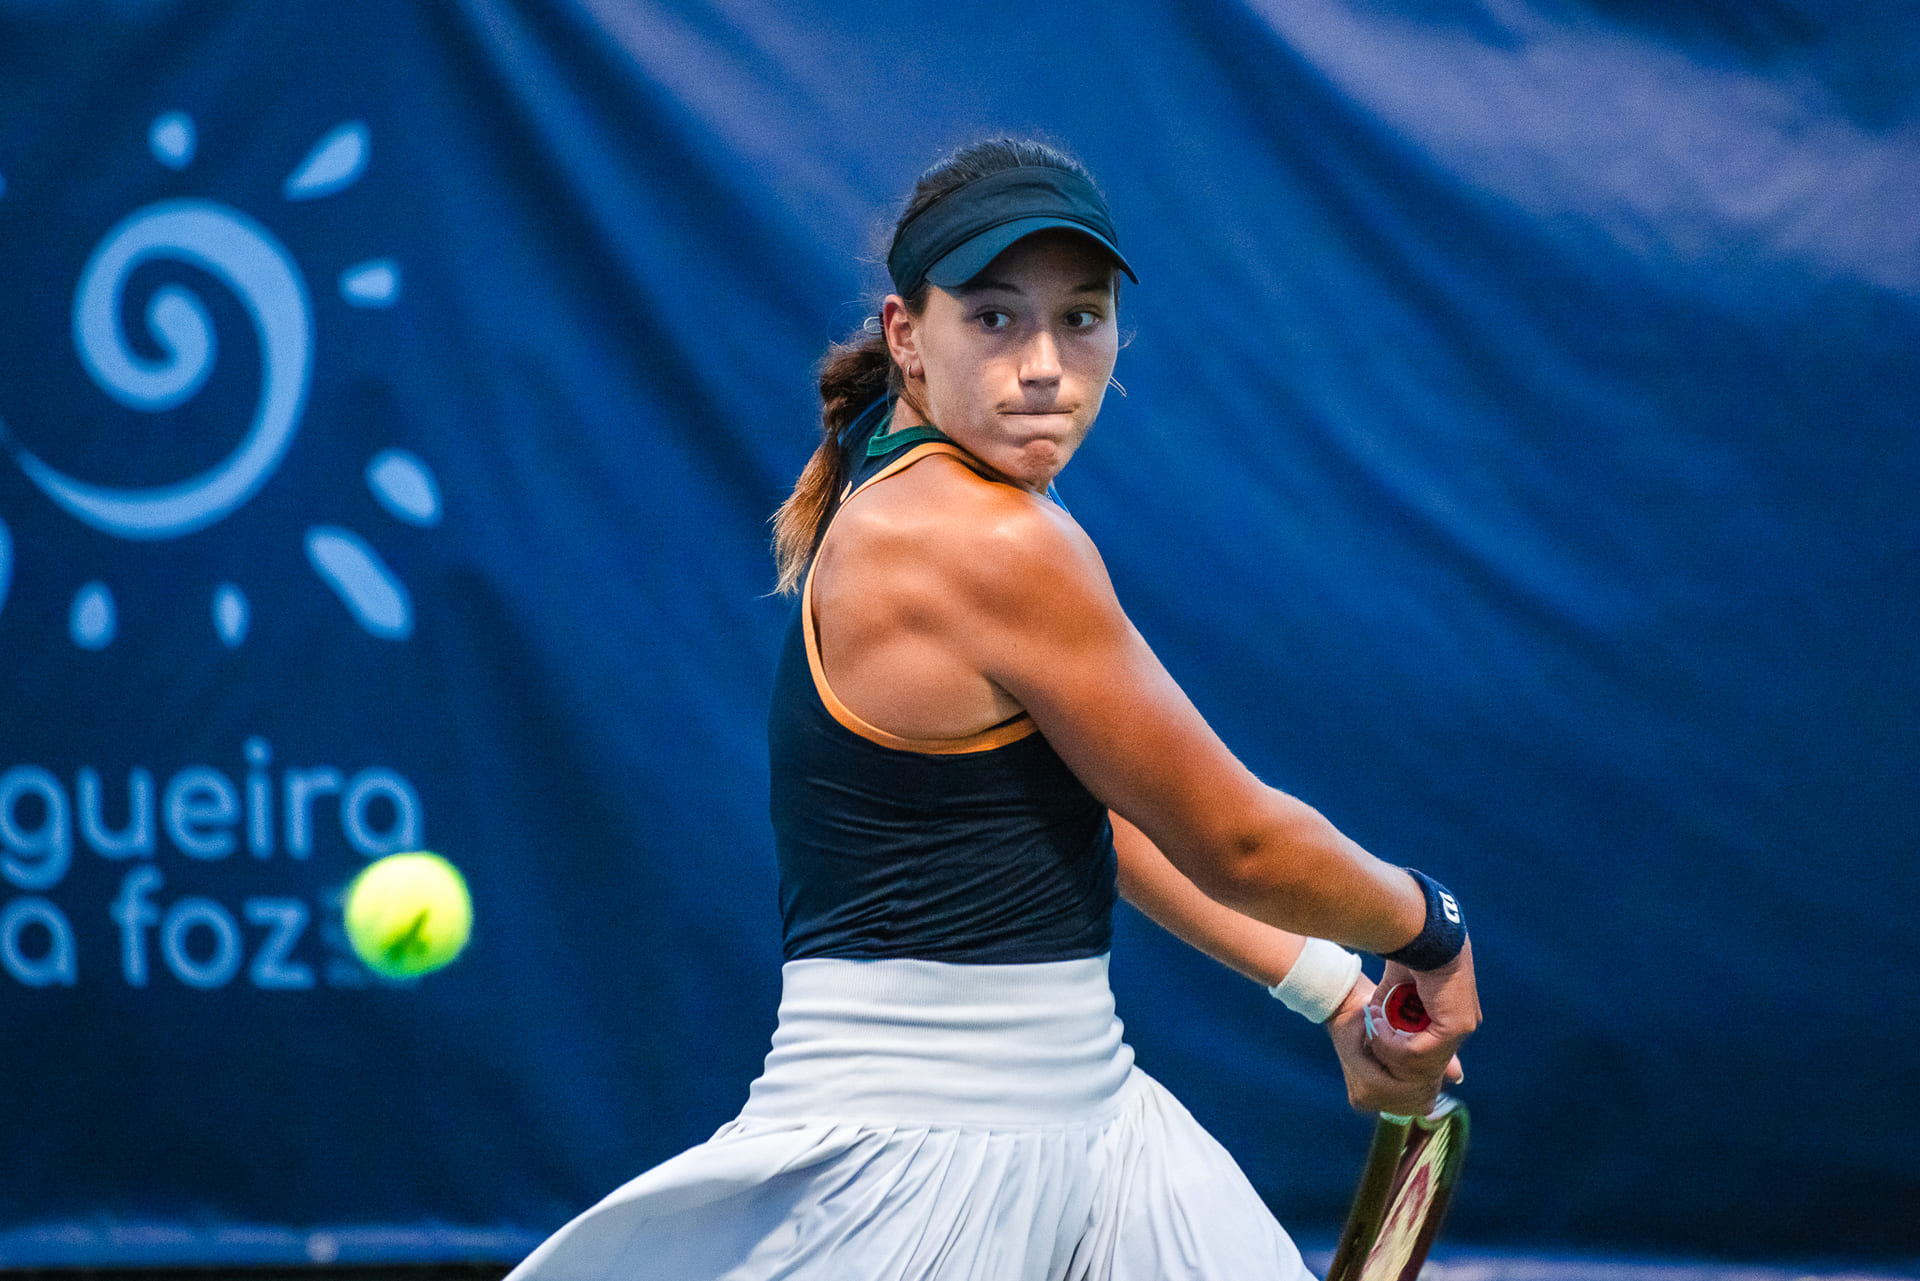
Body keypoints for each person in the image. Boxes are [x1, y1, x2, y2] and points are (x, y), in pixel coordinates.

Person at [506, 137, 1480, 1281]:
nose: (1045, 365)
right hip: (919, 1167)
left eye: (1081, 318)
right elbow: (1239, 842)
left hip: (1100, 1128)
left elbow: (1092, 815)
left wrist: (1329, 987)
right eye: (996, 318)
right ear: (908, 336)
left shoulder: (911, 489)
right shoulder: (989, 542)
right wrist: (1428, 928)